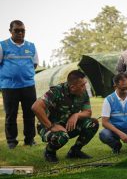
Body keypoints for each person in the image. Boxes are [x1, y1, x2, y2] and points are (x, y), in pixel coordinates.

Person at [31, 70, 99, 163]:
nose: (85, 87)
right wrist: (51, 126)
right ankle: (49, 152)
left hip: (67, 125)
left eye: (85, 84)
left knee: (93, 123)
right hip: (48, 127)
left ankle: (75, 151)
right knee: (62, 136)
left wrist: (77, 115)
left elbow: (87, 112)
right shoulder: (56, 91)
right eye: (82, 85)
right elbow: (36, 107)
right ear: (72, 87)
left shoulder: (83, 93)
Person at [0, 20, 39, 149]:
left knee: (30, 113)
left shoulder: (31, 46)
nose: (20, 33)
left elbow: (34, 64)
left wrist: (24, 74)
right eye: (17, 30)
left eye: (22, 30)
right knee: (11, 114)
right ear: (10, 31)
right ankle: (11, 141)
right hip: (9, 87)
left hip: (28, 85)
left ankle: (29, 139)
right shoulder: (2, 45)